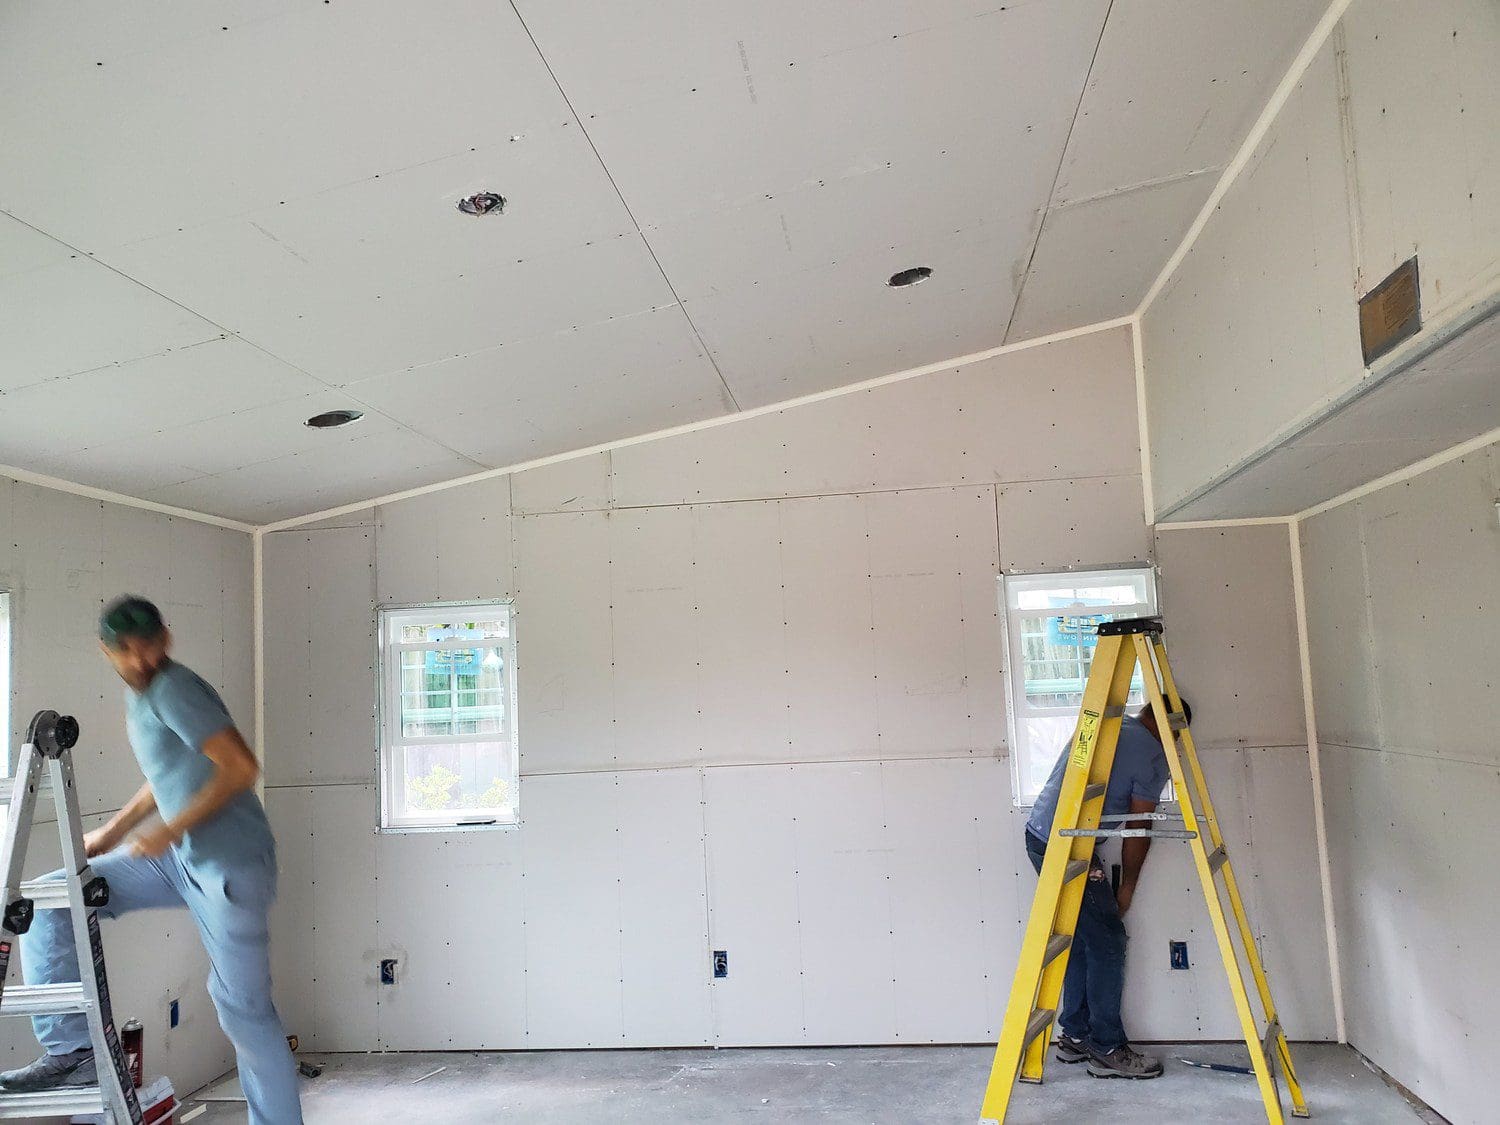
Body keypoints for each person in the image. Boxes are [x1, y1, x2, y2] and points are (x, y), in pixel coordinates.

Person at [0, 595, 302, 1125]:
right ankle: (75, 1054)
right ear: (106, 651)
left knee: (245, 1015)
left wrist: (169, 829)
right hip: (182, 861)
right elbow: (171, 769)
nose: (140, 661)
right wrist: (114, 832)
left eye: (149, 647)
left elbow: (239, 767)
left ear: (167, 637)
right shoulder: (140, 696)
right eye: (127, 651)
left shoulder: (174, 687)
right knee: (55, 899)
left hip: (231, 868)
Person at [1022, 699, 1191, 1081]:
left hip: (1042, 836)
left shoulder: (1113, 728)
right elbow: (1138, 828)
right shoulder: (1152, 753)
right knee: (1108, 940)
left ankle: (1077, 1035)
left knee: (1085, 937)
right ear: (1172, 729)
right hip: (1066, 844)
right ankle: (1106, 1047)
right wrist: (1127, 887)